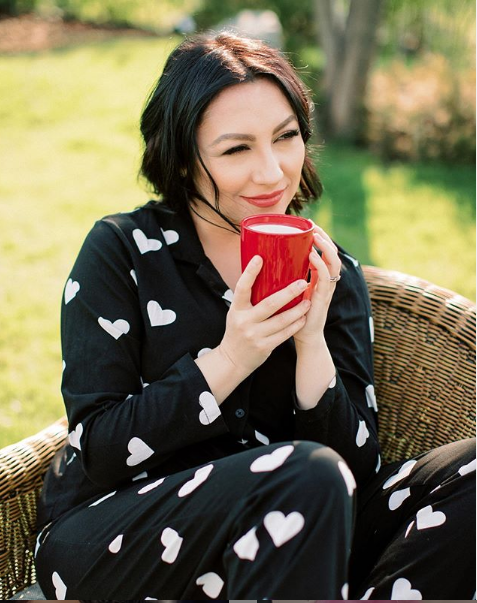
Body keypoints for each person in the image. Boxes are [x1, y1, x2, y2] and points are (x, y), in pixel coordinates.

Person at [34, 32, 475, 600]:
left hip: (299, 529)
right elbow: (98, 449)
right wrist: (231, 358)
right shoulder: (121, 251)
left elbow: (355, 473)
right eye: (236, 150)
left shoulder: (330, 271)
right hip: (116, 532)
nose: (272, 173)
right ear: (183, 159)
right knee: (304, 474)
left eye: (286, 137)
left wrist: (311, 343)